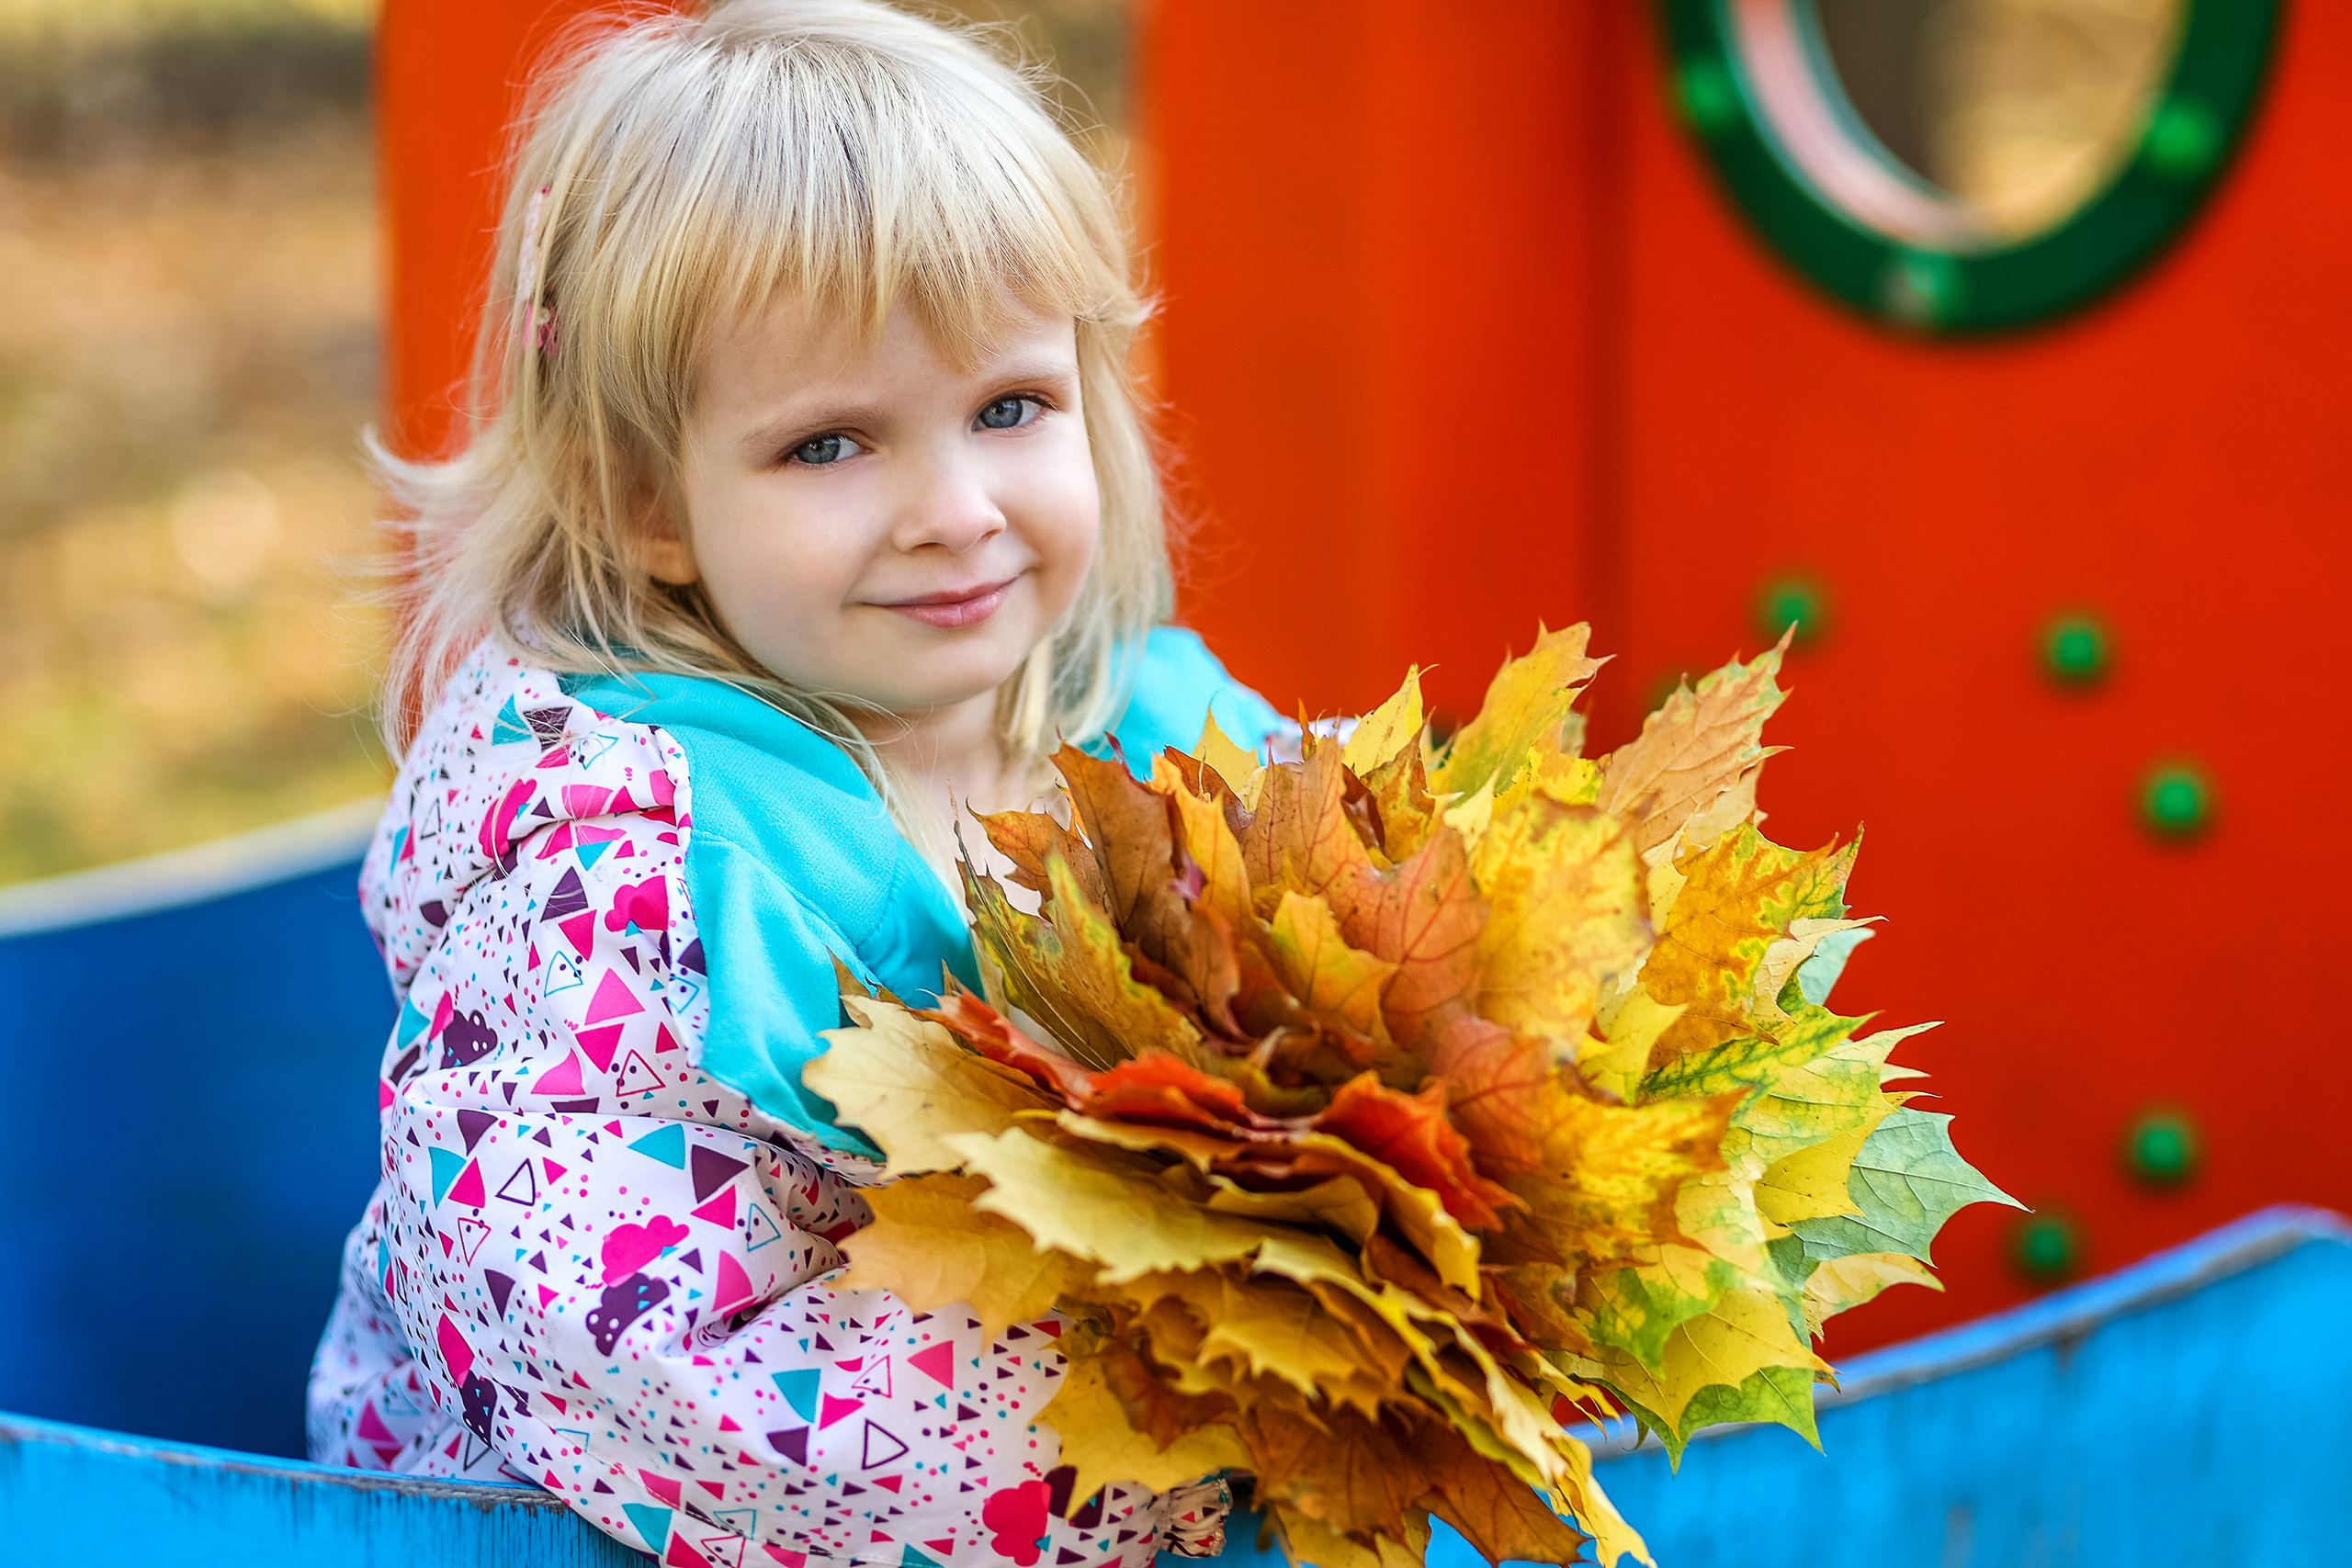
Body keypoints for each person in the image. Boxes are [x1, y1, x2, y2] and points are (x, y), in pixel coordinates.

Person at [305, 5, 1286, 1563]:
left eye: (1010, 407)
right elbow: (644, 1355)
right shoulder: (633, 882)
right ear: (644, 503)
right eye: (832, 445)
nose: (956, 510)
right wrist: (1205, 1421)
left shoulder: (1166, 738)